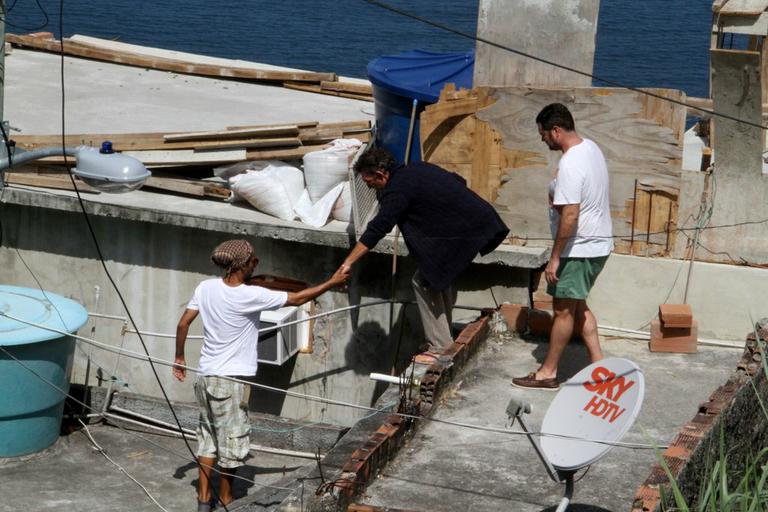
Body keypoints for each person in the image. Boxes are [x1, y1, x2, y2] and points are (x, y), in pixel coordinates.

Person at [173, 239, 347, 511]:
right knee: (231, 441)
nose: (257, 262)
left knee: (207, 437)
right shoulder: (249, 296)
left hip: (205, 376)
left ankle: (203, 500)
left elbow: (183, 323)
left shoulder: (206, 288)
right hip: (230, 381)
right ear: (242, 264)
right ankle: (227, 500)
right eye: (254, 259)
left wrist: (179, 358)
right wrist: (331, 282)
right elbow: (298, 298)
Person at [339, 147, 509, 354]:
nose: (372, 188)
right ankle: (444, 338)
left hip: (465, 231)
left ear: (380, 174)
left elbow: (378, 228)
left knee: (423, 281)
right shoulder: (419, 168)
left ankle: (440, 346)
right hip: (477, 224)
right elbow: (458, 181)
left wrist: (348, 262)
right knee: (435, 275)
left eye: (370, 183)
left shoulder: (397, 189)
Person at [512, 103, 613, 390]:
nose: (542, 139)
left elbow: (570, 215)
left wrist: (555, 257)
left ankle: (548, 372)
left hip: (580, 249)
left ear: (556, 131)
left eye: (543, 134)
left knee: (562, 311)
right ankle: (600, 368)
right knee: (578, 306)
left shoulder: (571, 163)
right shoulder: (590, 148)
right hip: (598, 244)